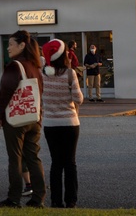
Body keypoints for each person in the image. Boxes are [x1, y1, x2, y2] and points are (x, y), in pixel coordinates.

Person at [0, 29, 46, 208]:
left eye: (10, 44)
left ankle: (14, 198)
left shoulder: (15, 66)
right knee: (33, 158)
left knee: (15, 158)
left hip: (16, 119)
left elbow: (6, 92)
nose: (8, 48)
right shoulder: (35, 65)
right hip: (34, 117)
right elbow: (40, 90)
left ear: (22, 45)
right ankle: (38, 198)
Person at [41, 39, 84, 208]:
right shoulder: (70, 74)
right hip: (69, 122)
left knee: (56, 163)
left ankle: (56, 201)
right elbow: (78, 98)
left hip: (50, 123)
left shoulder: (43, 74)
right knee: (70, 162)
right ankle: (71, 200)